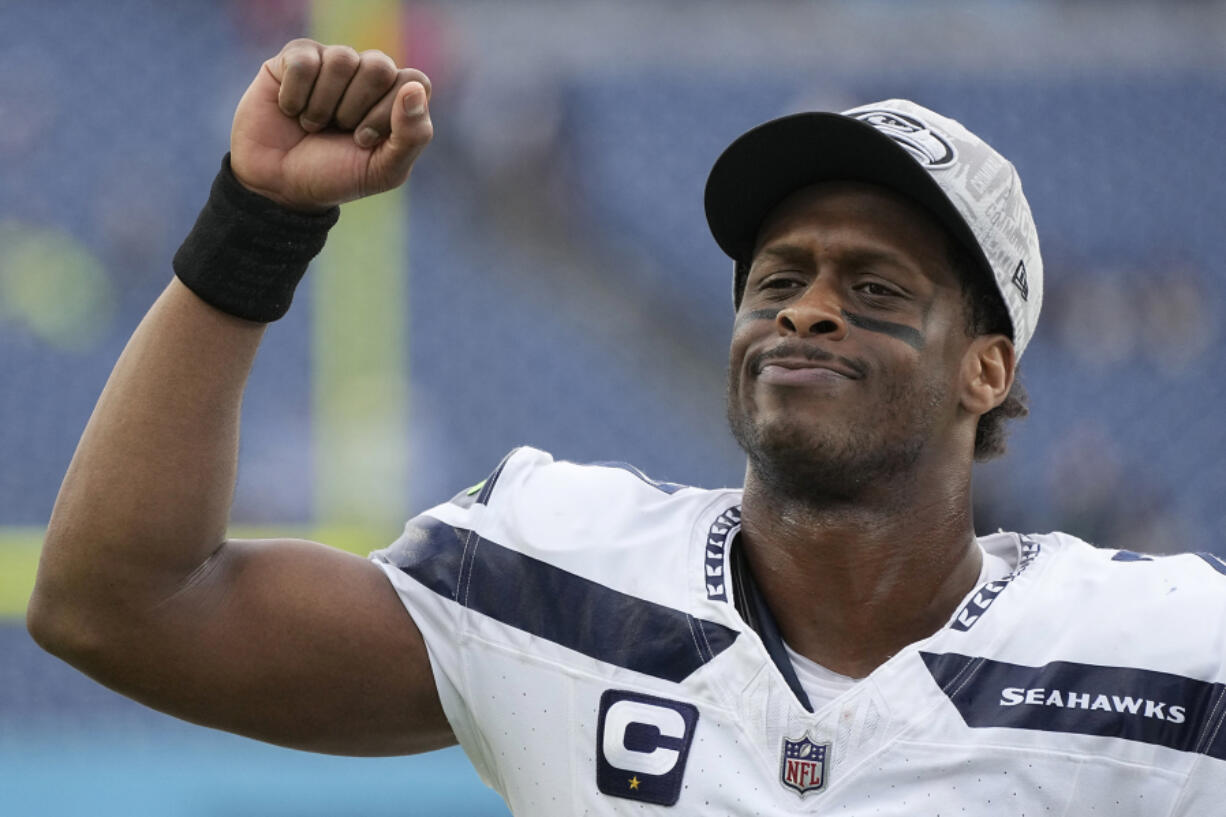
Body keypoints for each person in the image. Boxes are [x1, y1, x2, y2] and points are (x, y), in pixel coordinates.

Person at [26, 38, 1226, 815]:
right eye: (775, 279)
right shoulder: (558, 575)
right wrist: (254, 229)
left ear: (986, 369)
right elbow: (119, 603)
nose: (806, 306)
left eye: (872, 290)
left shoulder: (1162, 657)